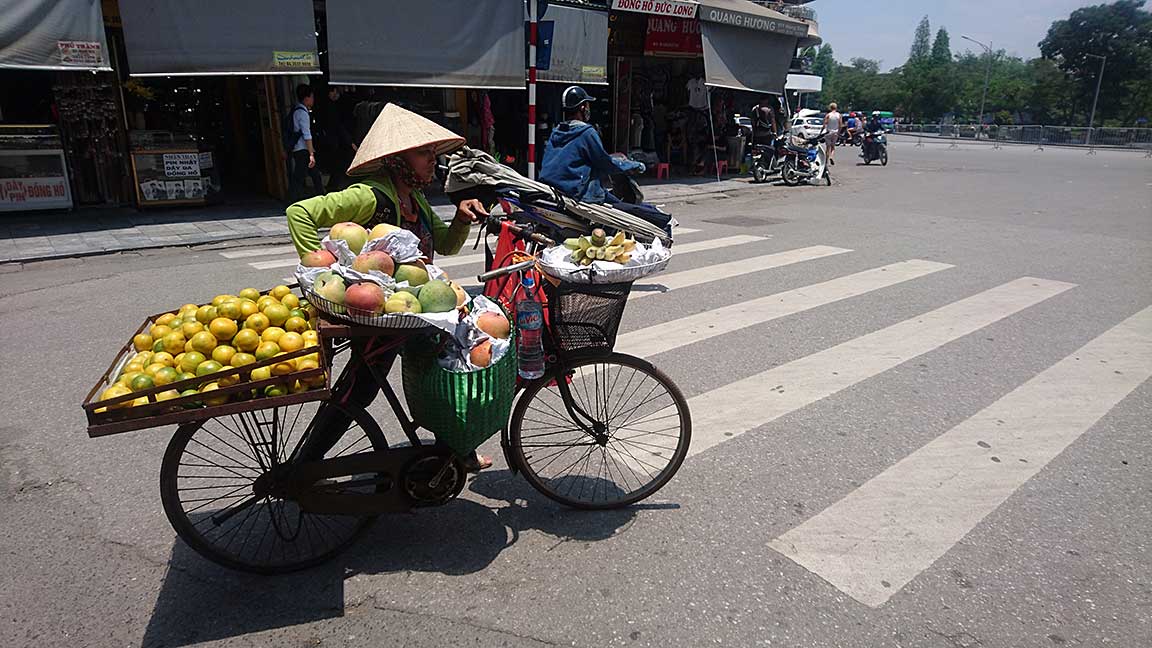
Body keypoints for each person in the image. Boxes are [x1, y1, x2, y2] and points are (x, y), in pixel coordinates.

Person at [285, 103, 493, 470]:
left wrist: (461, 217)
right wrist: (324, 272)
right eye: (423, 153)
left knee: (447, 370)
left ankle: (455, 453)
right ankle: (300, 469)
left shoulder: (415, 199)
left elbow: (443, 246)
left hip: (409, 314)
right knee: (357, 391)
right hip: (379, 315)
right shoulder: (370, 196)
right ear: (397, 159)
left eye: (433, 153)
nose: (433, 160)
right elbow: (299, 213)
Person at [540, 86, 671, 234]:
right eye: (587, 105)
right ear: (582, 108)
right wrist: (633, 165)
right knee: (626, 213)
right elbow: (604, 162)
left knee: (612, 200)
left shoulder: (556, 132)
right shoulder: (586, 133)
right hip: (580, 193)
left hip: (556, 190)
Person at [317, 86, 358, 192]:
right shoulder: (331, 107)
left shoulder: (326, 106)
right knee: (339, 165)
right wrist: (350, 141)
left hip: (333, 140)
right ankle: (333, 187)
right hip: (337, 141)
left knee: (338, 166)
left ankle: (332, 187)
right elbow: (338, 125)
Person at [288, 84, 325, 200]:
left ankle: (321, 197)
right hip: (302, 150)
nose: (313, 100)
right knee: (299, 178)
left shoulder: (296, 110)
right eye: (312, 97)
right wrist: (311, 154)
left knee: (315, 175)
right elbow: (306, 134)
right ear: (306, 98)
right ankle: (291, 201)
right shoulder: (302, 113)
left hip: (300, 149)